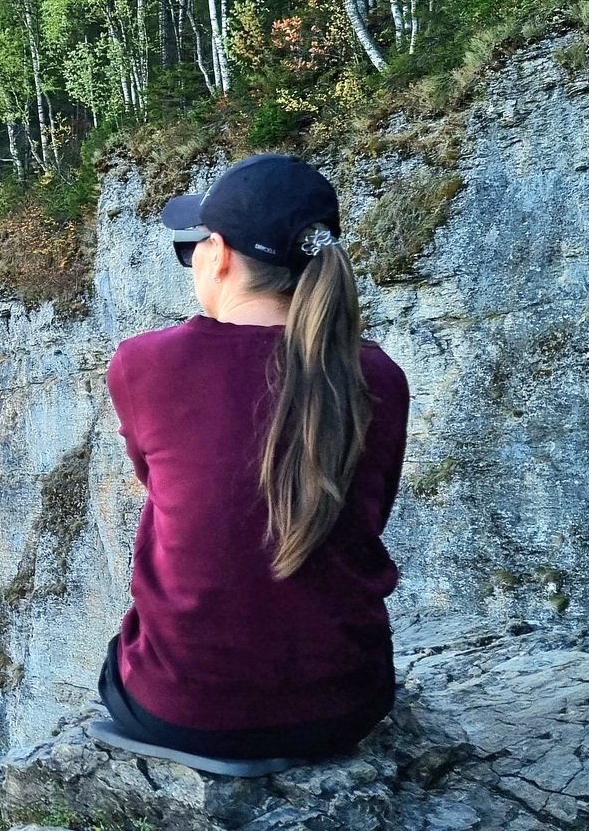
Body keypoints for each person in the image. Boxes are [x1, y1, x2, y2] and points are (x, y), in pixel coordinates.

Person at [98, 153, 410, 765]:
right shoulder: (378, 376)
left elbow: (159, 485)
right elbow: (370, 511)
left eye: (192, 250)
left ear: (217, 254)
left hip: (183, 709)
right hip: (345, 704)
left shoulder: (145, 365)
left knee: (130, 644)